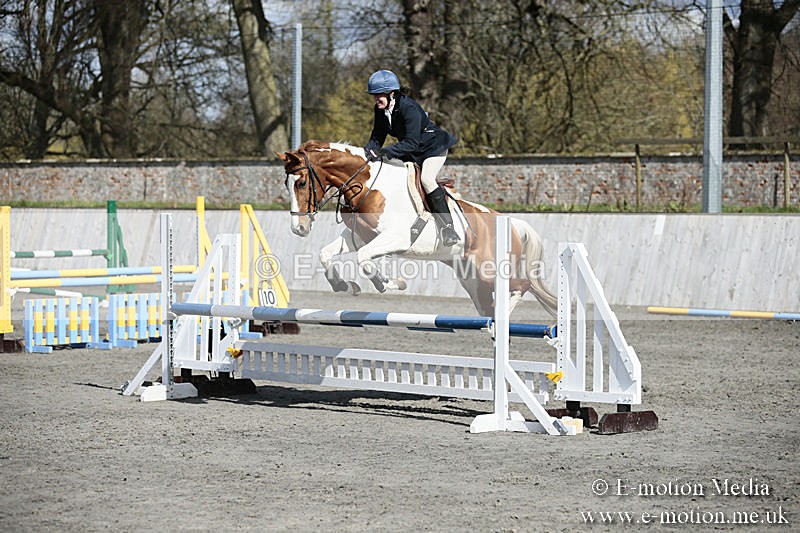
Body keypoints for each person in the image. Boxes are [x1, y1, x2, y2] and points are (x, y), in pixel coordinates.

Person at [363, 69, 460, 246]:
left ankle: (448, 228)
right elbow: (377, 136)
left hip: (432, 148)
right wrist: (368, 152)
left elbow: (411, 143)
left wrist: (384, 153)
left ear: (392, 94)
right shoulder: (380, 109)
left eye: (380, 95)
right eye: (374, 95)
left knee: (427, 180)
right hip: (412, 150)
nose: (376, 99)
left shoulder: (409, 108)